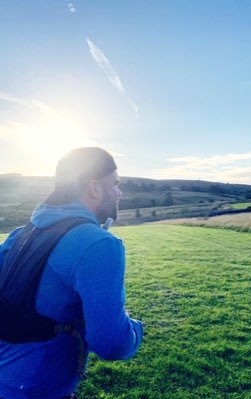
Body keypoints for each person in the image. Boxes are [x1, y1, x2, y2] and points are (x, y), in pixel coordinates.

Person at [0, 147, 143, 399]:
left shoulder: (19, 235)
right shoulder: (98, 244)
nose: (119, 192)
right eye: (116, 183)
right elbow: (111, 343)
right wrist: (136, 328)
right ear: (94, 188)